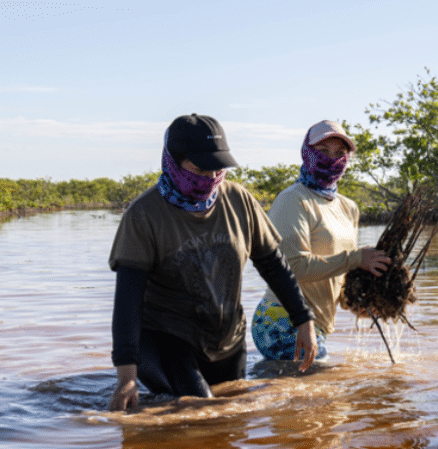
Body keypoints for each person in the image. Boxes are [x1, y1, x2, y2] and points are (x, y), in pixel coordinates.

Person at [108, 113, 318, 411]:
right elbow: (127, 301)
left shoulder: (239, 201)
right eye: (199, 167)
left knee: (230, 427)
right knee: (202, 410)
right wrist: (125, 378)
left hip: (226, 342)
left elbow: (273, 265)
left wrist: (303, 320)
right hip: (165, 340)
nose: (210, 177)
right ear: (173, 161)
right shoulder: (144, 215)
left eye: (218, 167)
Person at [250, 120, 390, 361]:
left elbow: (337, 276)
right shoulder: (292, 200)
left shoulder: (349, 207)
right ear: (306, 153)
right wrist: (356, 258)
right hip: (281, 319)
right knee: (325, 390)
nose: (331, 159)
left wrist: (362, 304)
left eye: (340, 153)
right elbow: (291, 268)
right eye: (323, 152)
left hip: (317, 324)